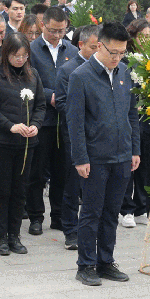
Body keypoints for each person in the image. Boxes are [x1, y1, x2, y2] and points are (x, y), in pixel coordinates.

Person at [67, 22, 140, 286]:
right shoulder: (80, 76)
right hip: (95, 158)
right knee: (91, 212)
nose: (117, 57)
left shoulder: (124, 72)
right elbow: (74, 122)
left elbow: (132, 114)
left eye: (122, 53)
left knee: (111, 212)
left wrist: (135, 149)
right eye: (113, 52)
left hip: (122, 156)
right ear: (99, 45)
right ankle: (86, 265)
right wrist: (80, 158)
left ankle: (105, 261)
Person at [0, 34, 45, 256]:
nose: (20, 60)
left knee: (20, 190)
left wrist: (35, 124)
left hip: (26, 142)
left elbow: (40, 105)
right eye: (16, 55)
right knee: (2, 190)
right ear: (7, 53)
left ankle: (14, 235)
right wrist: (10, 126)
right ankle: (1, 237)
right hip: (0, 141)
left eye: (24, 55)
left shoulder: (33, 74)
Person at [27, 6, 78, 234]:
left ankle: (58, 215)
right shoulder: (31, 50)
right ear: (42, 26)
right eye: (53, 31)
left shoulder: (73, 50)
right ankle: (36, 216)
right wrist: (50, 96)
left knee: (62, 170)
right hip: (41, 119)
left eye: (62, 31)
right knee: (37, 172)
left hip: (65, 120)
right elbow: (27, 81)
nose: (57, 35)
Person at [55, 24, 100, 250]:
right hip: (75, 136)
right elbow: (62, 103)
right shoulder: (68, 70)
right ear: (81, 45)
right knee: (72, 186)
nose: (98, 51)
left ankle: (93, 228)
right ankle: (70, 230)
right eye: (94, 47)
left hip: (100, 138)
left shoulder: (107, 70)